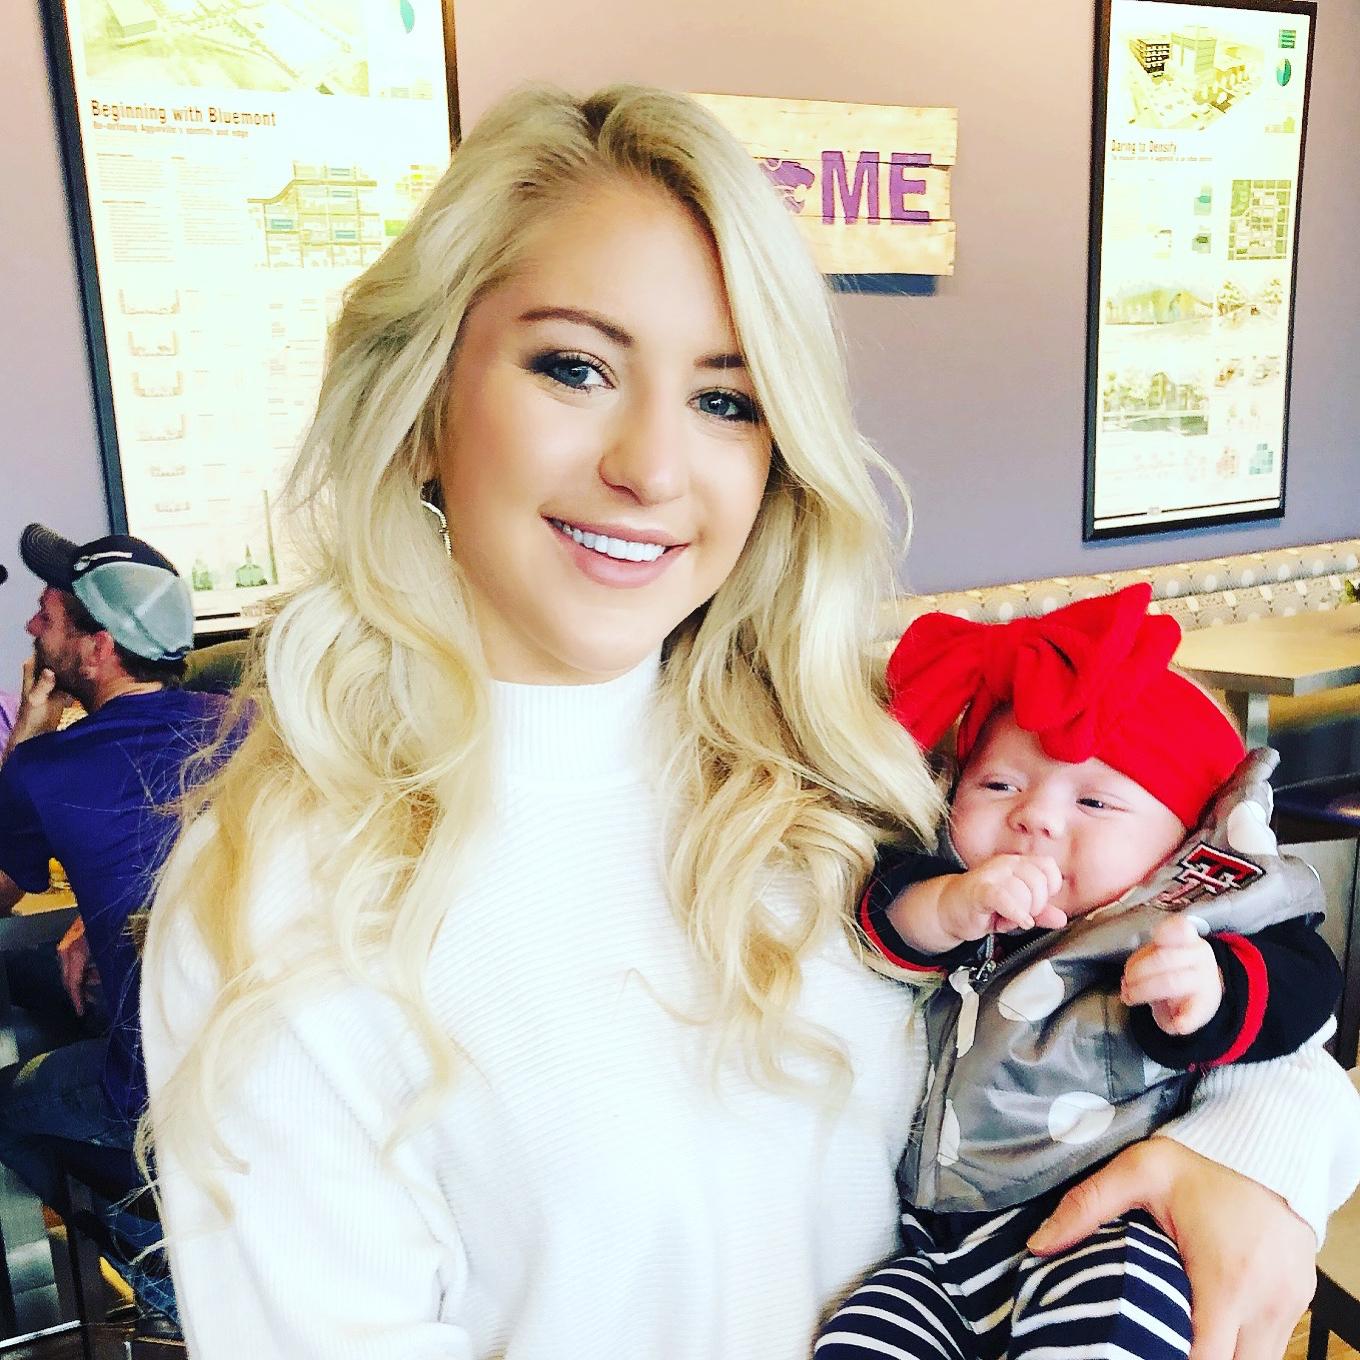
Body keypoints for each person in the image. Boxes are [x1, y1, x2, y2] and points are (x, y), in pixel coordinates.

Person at [141, 85, 1360, 1360]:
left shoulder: (846, 766)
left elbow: (1171, 976)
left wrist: (1261, 1156)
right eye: (574, 367)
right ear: (421, 407)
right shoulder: (282, 895)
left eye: (726, 399)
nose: (652, 467)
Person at [817, 586, 1346, 1359]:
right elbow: (888, 920)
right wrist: (952, 906)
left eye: (1095, 802)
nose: (1034, 816)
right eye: (999, 785)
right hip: (940, 1251)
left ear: (1182, 844)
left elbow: (1306, 985)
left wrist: (1213, 991)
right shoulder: (967, 901)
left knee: (1111, 1322)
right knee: (862, 1329)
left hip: (1107, 1231)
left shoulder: (1178, 919)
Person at [0, 525, 238, 1322]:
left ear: (97, 648)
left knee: (9, 1108)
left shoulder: (48, 768)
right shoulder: (253, 725)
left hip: (163, 1092)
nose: (31, 628)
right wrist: (90, 919)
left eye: (47, 616)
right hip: (277, 1065)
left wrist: (27, 738)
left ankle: (172, 1276)